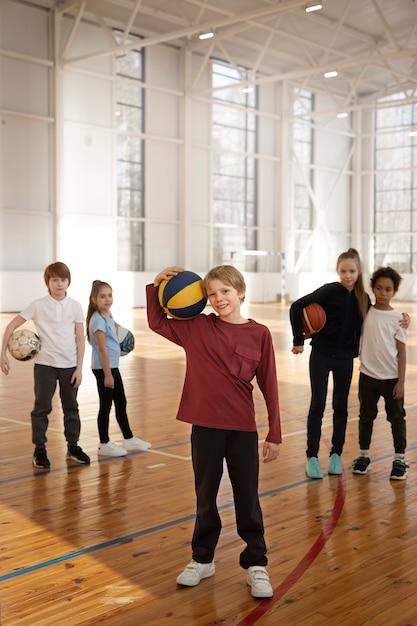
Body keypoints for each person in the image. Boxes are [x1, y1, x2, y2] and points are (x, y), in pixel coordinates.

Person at [146, 265, 281, 599]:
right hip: (205, 427)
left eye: (225, 292)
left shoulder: (259, 333)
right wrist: (156, 283)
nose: (218, 299)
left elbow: (270, 386)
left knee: (247, 498)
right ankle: (202, 559)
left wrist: (274, 432)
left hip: (242, 429)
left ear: (240, 292)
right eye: (211, 294)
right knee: (205, 497)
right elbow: (157, 321)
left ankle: (256, 564)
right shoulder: (196, 328)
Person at [0, 262, 90, 469]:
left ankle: (73, 447)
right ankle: (39, 449)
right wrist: (2, 353)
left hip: (69, 366)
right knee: (41, 408)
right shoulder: (38, 305)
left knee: (71, 408)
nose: (59, 284)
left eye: (63, 280)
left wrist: (79, 368)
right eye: (55, 280)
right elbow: (12, 325)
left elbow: (79, 338)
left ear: (68, 282)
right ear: (47, 282)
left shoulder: (75, 306)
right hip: (45, 365)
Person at [352, 267, 408, 480]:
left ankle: (400, 460)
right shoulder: (365, 312)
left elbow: (402, 353)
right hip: (367, 377)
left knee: (397, 419)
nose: (383, 293)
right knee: (366, 417)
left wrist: (401, 382)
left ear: (394, 291)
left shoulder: (398, 318)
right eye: (379, 288)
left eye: (388, 289)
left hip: (391, 379)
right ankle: (364, 456)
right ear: (373, 288)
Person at [86, 280, 151, 457]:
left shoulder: (107, 315)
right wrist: (107, 375)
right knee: (105, 406)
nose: (107, 299)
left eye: (109, 295)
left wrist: (125, 334)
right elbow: (102, 349)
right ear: (94, 299)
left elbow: (115, 326)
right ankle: (104, 443)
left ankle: (128, 439)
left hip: (112, 366)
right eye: (102, 296)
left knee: (121, 403)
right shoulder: (97, 321)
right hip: (104, 369)